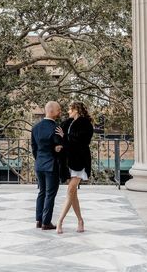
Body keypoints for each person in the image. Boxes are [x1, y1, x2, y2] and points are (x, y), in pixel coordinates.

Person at [55, 100, 93, 234]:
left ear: (76, 110)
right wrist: (60, 144)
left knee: (70, 190)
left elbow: (80, 143)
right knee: (73, 193)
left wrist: (65, 138)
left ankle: (60, 221)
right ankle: (80, 220)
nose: (68, 111)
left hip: (80, 161)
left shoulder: (86, 124)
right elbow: (60, 136)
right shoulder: (68, 123)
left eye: (70, 109)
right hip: (69, 161)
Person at [31, 101, 63, 230]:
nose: (60, 111)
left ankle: (39, 220)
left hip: (39, 164)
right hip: (51, 165)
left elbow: (34, 148)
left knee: (42, 192)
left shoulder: (35, 127)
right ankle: (46, 222)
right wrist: (62, 137)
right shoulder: (56, 128)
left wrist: (39, 159)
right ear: (51, 111)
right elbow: (59, 148)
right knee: (50, 194)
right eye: (58, 109)